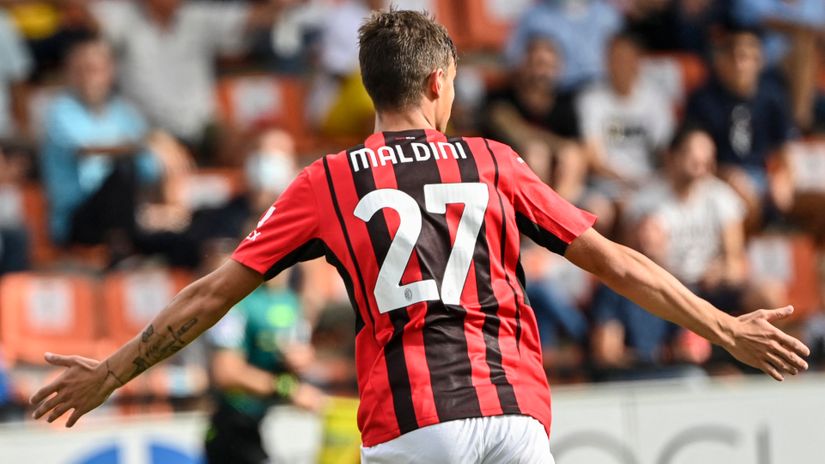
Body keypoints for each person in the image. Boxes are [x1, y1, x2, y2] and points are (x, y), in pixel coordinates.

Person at [30, 10, 810, 464]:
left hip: (411, 421)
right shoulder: (493, 162)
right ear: (438, 83)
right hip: (512, 412)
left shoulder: (325, 183)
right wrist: (722, 326)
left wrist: (112, 373)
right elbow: (618, 263)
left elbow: (207, 298)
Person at [82, 0, 297, 163]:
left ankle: (262, 213)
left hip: (203, 128)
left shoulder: (196, 17)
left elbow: (253, 18)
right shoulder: (123, 16)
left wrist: (282, 5)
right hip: (148, 135)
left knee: (269, 146)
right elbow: (86, 16)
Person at [203, 246, 325, 464]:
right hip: (231, 427)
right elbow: (226, 373)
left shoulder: (292, 303)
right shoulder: (237, 305)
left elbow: (295, 356)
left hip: (260, 423)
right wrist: (288, 389)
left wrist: (299, 361)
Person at [684, 24, 798, 229]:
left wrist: (784, 176)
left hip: (763, 175)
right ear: (721, 61)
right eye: (735, 57)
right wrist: (727, 175)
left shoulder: (772, 97)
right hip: (719, 180)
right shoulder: (702, 100)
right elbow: (693, 155)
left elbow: (784, 148)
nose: (741, 65)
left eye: (748, 57)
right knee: (740, 204)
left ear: (760, 61)